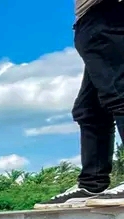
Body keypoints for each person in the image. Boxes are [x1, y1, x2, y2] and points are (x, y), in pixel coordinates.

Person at [38, 1, 124, 208]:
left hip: (107, 16)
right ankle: (92, 185)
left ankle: (93, 183)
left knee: (119, 95)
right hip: (94, 21)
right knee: (89, 110)